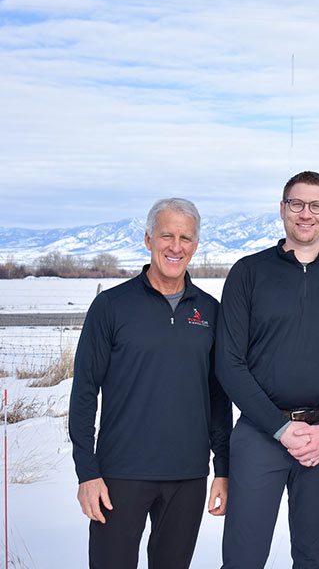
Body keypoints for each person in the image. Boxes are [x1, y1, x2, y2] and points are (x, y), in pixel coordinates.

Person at [215, 171, 319, 568]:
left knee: (314, 555)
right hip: (259, 433)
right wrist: (280, 427)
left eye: (316, 205)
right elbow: (229, 363)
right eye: (297, 204)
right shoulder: (248, 273)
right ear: (282, 209)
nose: (306, 214)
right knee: (243, 556)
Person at [68, 198, 231, 569]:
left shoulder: (210, 311)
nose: (176, 246)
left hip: (188, 475)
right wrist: (87, 472)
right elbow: (84, 393)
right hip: (119, 474)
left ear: (196, 245)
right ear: (148, 239)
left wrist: (222, 469)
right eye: (167, 235)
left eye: (186, 238)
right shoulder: (111, 307)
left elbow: (219, 400)